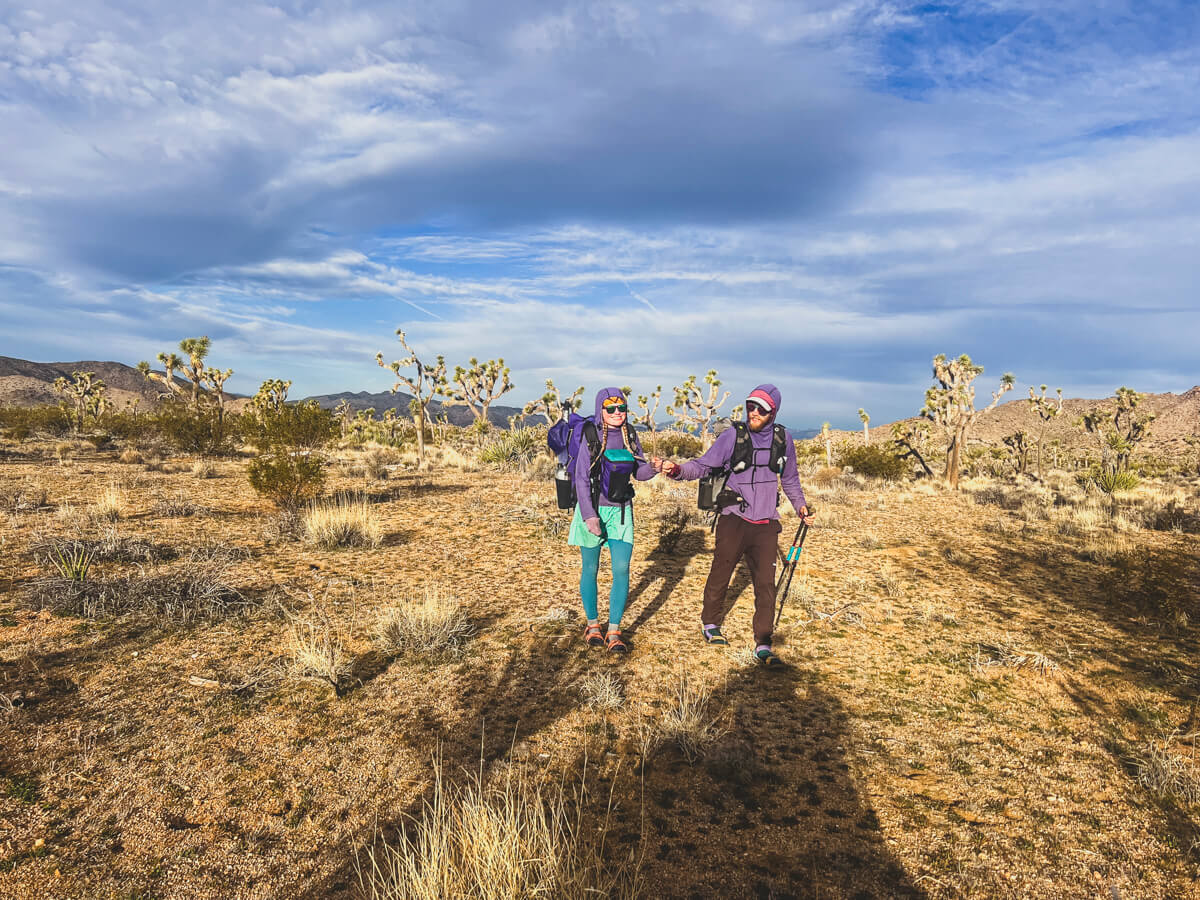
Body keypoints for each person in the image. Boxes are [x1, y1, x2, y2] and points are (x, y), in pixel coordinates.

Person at [653, 384, 813, 666]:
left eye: (761, 408)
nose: (754, 412)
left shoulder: (783, 439)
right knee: (721, 573)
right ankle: (710, 624)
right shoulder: (732, 437)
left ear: (772, 411)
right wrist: (676, 470)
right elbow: (704, 466)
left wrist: (800, 506)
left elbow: (789, 478)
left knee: (766, 585)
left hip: (766, 523)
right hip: (734, 518)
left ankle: (763, 642)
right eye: (751, 406)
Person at [568, 387, 658, 653]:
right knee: (590, 569)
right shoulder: (591, 435)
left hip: (621, 510)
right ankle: (593, 625)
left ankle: (614, 630)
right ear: (601, 410)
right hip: (593, 509)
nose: (617, 413)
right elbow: (581, 477)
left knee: (621, 569)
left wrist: (654, 467)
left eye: (622, 408)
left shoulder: (630, 435)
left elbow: (639, 473)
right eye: (611, 408)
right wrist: (588, 516)